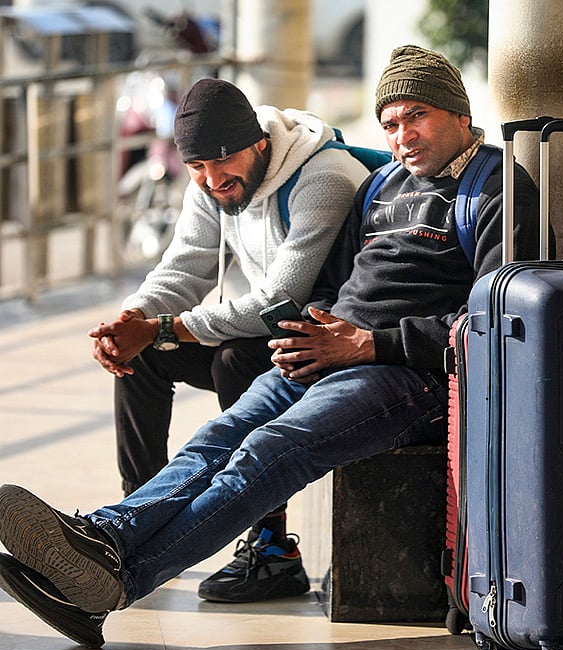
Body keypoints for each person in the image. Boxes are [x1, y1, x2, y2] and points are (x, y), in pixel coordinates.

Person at [0, 44, 541, 649]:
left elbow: (496, 319)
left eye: (418, 116)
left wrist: (367, 344)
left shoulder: (497, 187)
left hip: (403, 374)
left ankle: (119, 577)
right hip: (332, 350)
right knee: (216, 439)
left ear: (460, 115)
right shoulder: (383, 186)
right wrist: (318, 330)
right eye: (390, 123)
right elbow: (337, 286)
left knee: (267, 451)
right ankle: (105, 538)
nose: (402, 135)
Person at [88, 78, 371, 603]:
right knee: (144, 355)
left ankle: (271, 549)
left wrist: (166, 326)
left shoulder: (324, 176)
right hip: (273, 331)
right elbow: (186, 265)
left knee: (237, 359)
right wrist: (132, 321)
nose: (212, 179)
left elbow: (280, 298)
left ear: (260, 143)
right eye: (196, 167)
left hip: (330, 343)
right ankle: (139, 516)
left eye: (223, 162)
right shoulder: (211, 184)